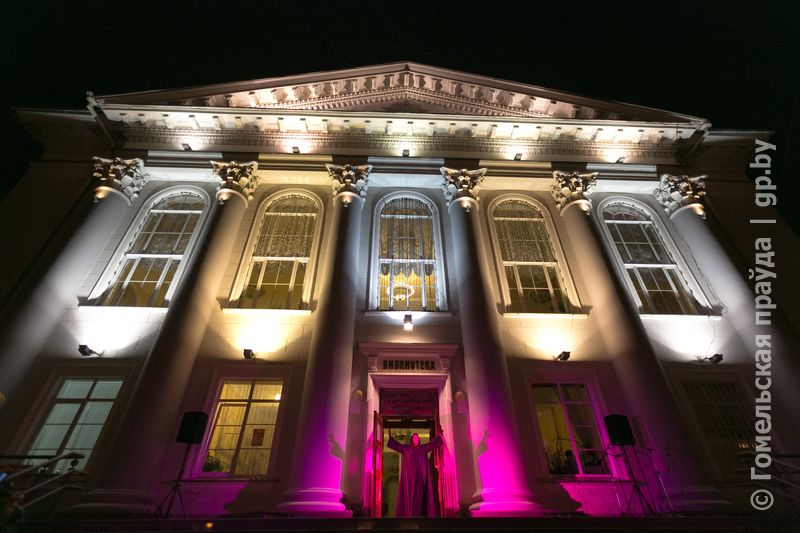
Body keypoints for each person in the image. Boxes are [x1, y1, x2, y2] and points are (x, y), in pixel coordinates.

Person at [386, 428, 444, 517]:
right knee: (410, 497)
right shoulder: (406, 449)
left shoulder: (423, 448)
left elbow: (432, 444)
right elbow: (398, 446)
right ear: (412, 440)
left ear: (419, 440)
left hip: (420, 478)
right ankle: (410, 514)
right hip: (409, 479)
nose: (416, 440)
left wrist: (440, 436)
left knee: (419, 496)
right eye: (414, 438)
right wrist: (391, 439)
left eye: (417, 438)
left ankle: (420, 514)